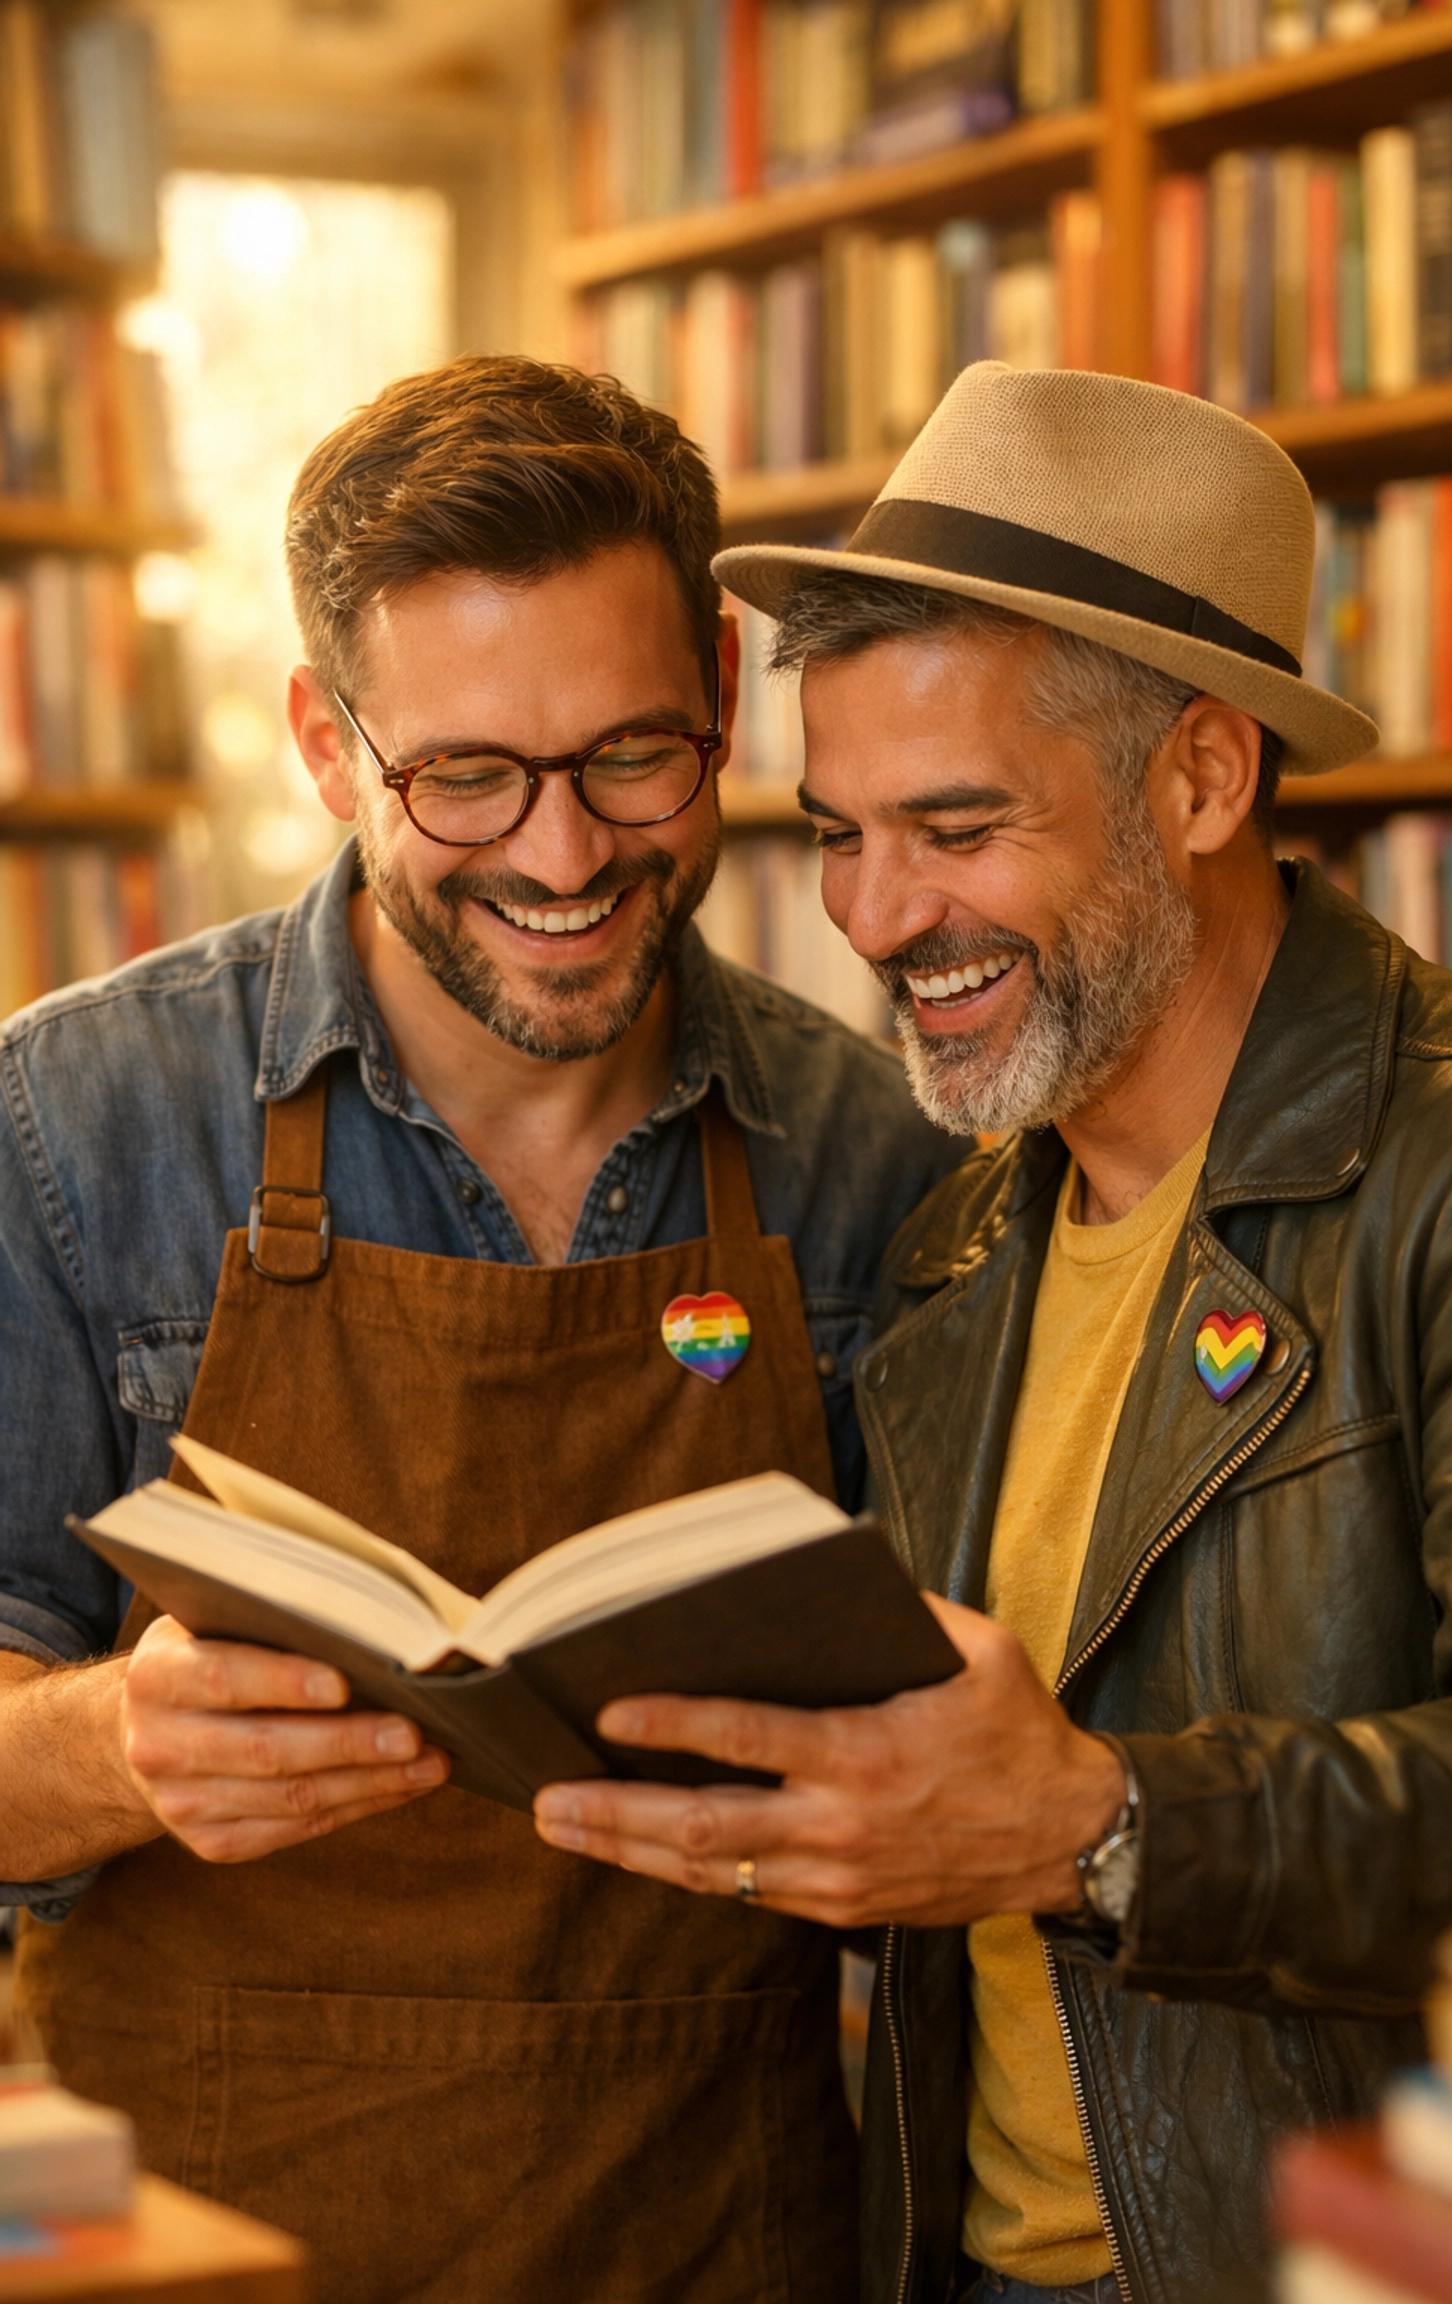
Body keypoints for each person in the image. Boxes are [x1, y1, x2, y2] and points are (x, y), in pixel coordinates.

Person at [528, 365, 1452, 2304]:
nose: (879, 916)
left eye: (958, 826)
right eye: (835, 832)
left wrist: (1112, 1830)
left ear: (1206, 778)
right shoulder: (959, 1236)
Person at [0, 354, 965, 2304]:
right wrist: (113, 1749)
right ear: (325, 743)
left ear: (716, 685)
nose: (560, 856)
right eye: (464, 778)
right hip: (198, 2242)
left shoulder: (868, 1149)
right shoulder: (70, 1129)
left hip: (723, 2235)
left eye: (634, 755)